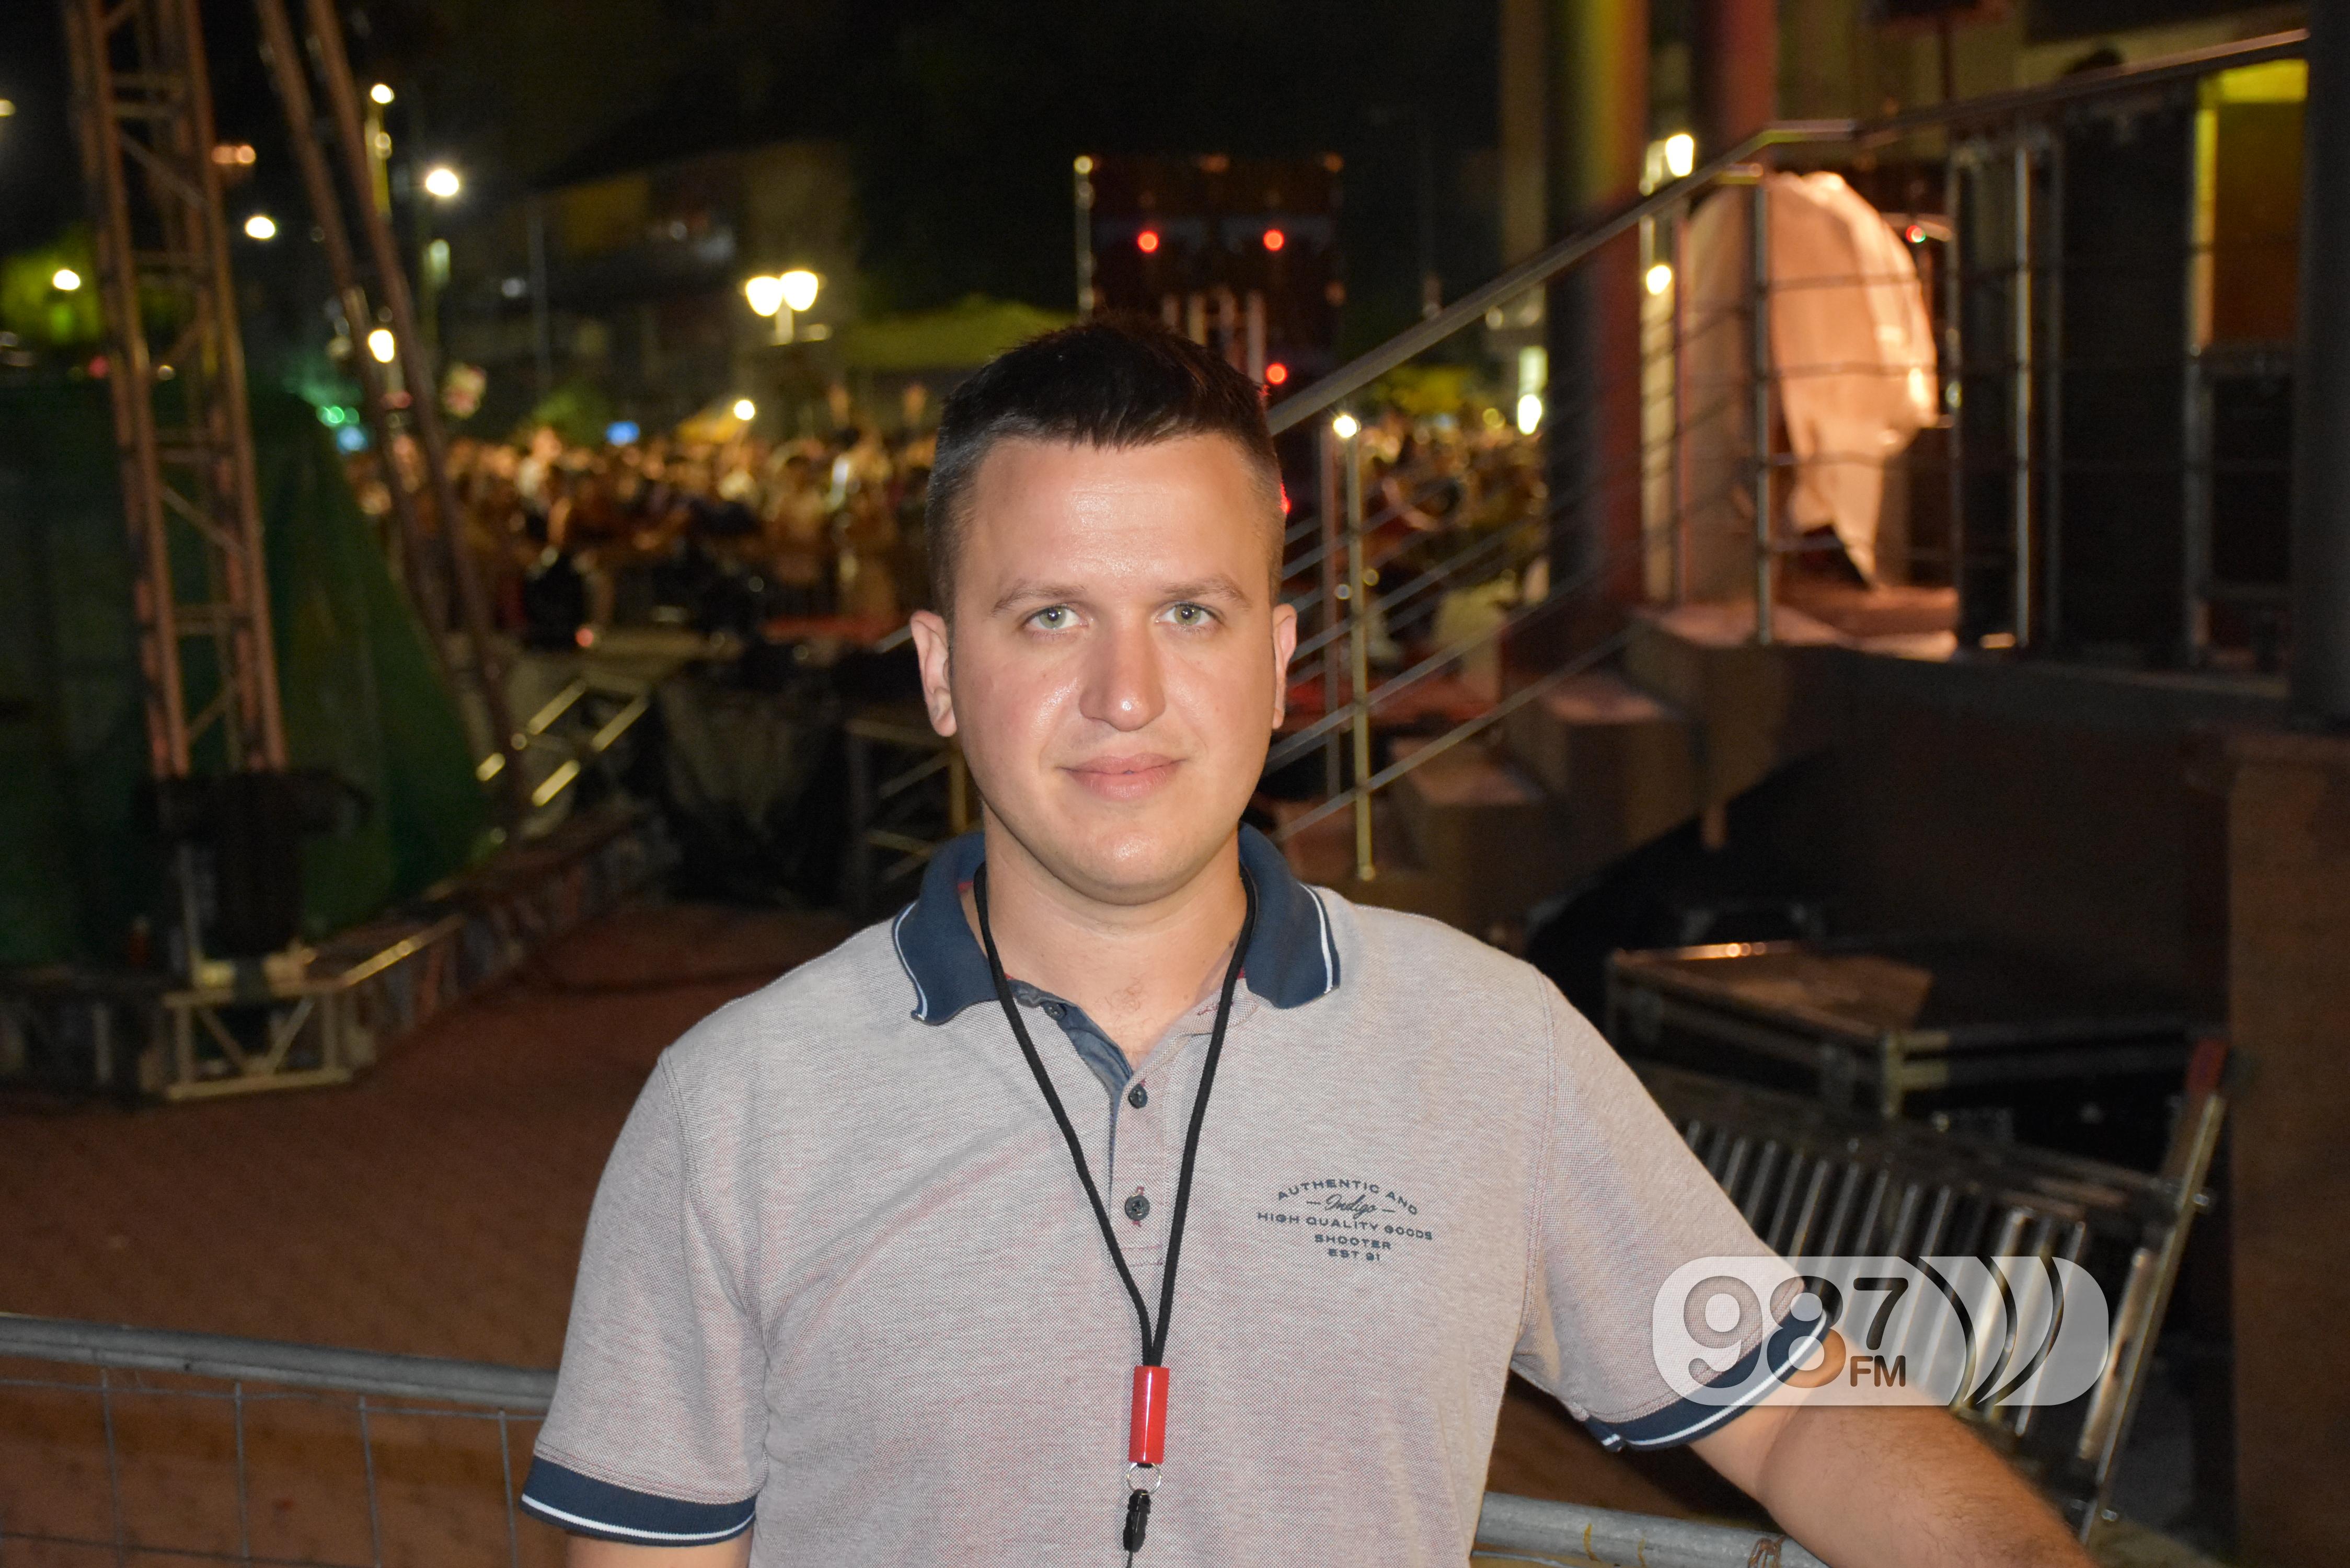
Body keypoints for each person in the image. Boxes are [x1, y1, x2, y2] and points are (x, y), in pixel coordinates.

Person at [518, 317, 2097, 1566]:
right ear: (940, 671)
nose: (1126, 694)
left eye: (1190, 614)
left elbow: (1800, 1415)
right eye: (1051, 615)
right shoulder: (740, 1107)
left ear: (1281, 663)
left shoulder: (1491, 1047)